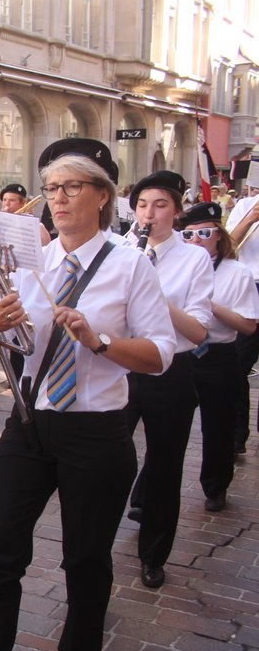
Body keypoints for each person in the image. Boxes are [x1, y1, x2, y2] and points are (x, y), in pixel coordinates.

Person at [0, 139, 175, 651]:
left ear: (102, 197)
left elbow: (161, 353)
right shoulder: (29, 263)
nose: (59, 199)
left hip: (96, 431)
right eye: (52, 189)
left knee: (85, 560)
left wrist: (101, 340)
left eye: (73, 187)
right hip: (29, 425)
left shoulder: (129, 263)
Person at [123, 170, 214, 589]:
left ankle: (154, 554)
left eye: (160, 205)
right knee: (108, 457)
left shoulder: (194, 258)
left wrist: (151, 286)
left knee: (164, 465)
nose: (149, 213)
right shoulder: (122, 248)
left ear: (175, 212)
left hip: (170, 369)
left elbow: (198, 332)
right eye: (142, 205)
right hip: (123, 363)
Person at [178, 202, 259, 511]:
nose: (196, 240)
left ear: (219, 236)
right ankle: (146, 496)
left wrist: (210, 305)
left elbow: (248, 326)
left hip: (217, 355)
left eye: (205, 233)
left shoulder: (236, 272)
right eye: (188, 234)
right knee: (169, 425)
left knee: (217, 425)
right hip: (182, 353)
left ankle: (215, 485)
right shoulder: (176, 268)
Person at [227, 184, 259, 454]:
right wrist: (251, 218)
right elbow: (229, 245)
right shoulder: (246, 206)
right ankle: (238, 434)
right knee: (238, 365)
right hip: (251, 288)